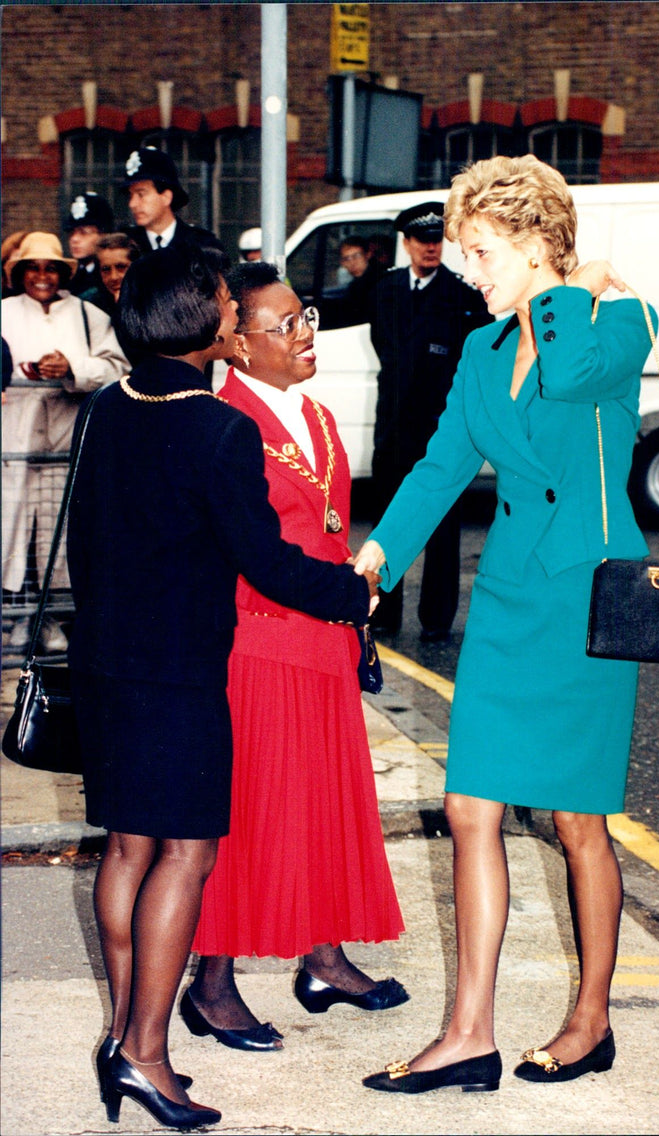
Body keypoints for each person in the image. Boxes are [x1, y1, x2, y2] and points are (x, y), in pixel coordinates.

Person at [354, 155, 657, 1094]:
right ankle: (468, 1033)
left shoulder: (617, 320)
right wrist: (374, 565)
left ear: (533, 244)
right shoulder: (482, 354)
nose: (466, 273)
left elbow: (569, 377)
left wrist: (569, 290)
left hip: (586, 599)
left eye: (481, 253)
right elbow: (440, 468)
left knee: (577, 822)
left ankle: (592, 1018)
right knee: (468, 807)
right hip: (513, 599)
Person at [66, 245, 379, 1131]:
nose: (237, 317)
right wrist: (353, 593)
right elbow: (268, 563)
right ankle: (146, 1055)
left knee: (128, 850)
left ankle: (124, 1037)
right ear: (201, 324)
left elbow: (84, 542)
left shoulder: (105, 408)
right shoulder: (217, 427)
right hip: (182, 671)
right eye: (226, 305)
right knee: (188, 856)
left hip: (106, 663)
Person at [187, 262, 408, 1050]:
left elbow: (326, 521)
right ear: (238, 345)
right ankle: (211, 985)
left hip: (323, 640)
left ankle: (323, 959)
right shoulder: (226, 422)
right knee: (252, 815)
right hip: (264, 643)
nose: (305, 332)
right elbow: (251, 555)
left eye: (303, 315)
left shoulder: (312, 414)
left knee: (320, 805)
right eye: (283, 325)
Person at [369, 200, 491, 641]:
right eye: (422, 240)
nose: (431, 248)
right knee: (389, 519)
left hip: (440, 431)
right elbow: (386, 350)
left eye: (438, 240)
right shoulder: (385, 289)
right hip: (394, 430)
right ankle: (383, 612)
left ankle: (436, 620)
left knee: (442, 531)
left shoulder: (462, 296)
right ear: (406, 244)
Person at [1, 231, 128, 652]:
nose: (42, 276)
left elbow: (116, 369)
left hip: (64, 445)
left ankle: (50, 621)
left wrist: (71, 366)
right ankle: (15, 618)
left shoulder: (89, 315)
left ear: (62, 272)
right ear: (19, 274)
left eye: (50, 268)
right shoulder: (4, 312)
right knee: (13, 530)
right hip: (13, 444)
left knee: (58, 534)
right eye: (33, 268)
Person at [123, 146, 224, 258]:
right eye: (130, 195)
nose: (132, 204)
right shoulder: (123, 246)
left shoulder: (202, 245)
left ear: (166, 197)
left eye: (141, 194)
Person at [63, 191, 115, 302]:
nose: (74, 239)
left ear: (104, 235)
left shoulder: (111, 275)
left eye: (84, 232)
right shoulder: (68, 276)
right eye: (71, 232)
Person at [338, 236, 381, 326]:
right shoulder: (355, 285)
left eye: (356, 256)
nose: (352, 262)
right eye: (346, 259)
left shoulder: (378, 281)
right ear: (342, 263)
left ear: (368, 255)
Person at [95, 232, 141, 308]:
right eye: (106, 269)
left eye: (121, 267)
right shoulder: (94, 309)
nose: (114, 277)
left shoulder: (156, 300)